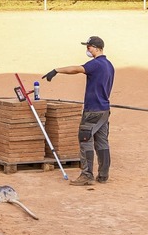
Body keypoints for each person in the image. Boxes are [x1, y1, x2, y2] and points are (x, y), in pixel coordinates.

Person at [42, 36, 115, 186]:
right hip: (104, 110)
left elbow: (76, 69)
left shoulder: (96, 64)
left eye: (88, 47)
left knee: (85, 139)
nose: (87, 50)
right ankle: (103, 175)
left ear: (95, 47)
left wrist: (56, 70)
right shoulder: (109, 65)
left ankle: (87, 175)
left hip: (93, 110)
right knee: (102, 142)